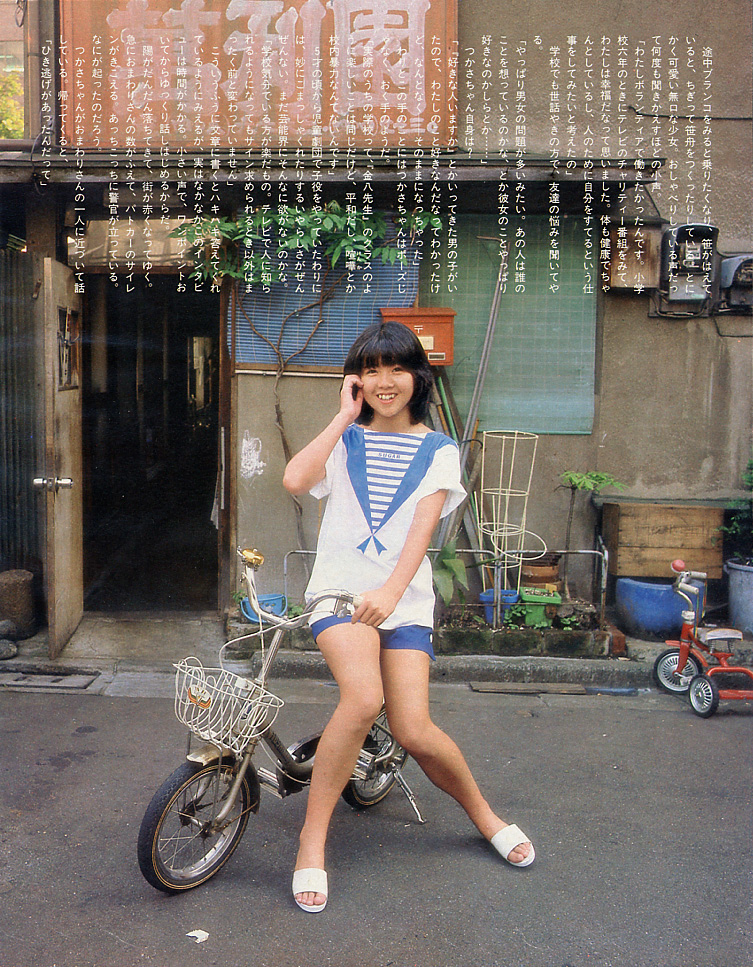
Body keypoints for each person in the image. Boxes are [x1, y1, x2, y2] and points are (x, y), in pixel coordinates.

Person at [282, 321, 534, 913]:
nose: (384, 381)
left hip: (404, 600)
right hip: (340, 595)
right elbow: (295, 479)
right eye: (371, 370)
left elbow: (423, 534)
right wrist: (343, 416)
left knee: (414, 730)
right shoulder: (345, 439)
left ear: (417, 376)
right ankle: (311, 841)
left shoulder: (439, 450)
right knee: (362, 699)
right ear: (357, 380)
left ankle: (485, 816)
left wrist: (393, 593)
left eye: (397, 368)